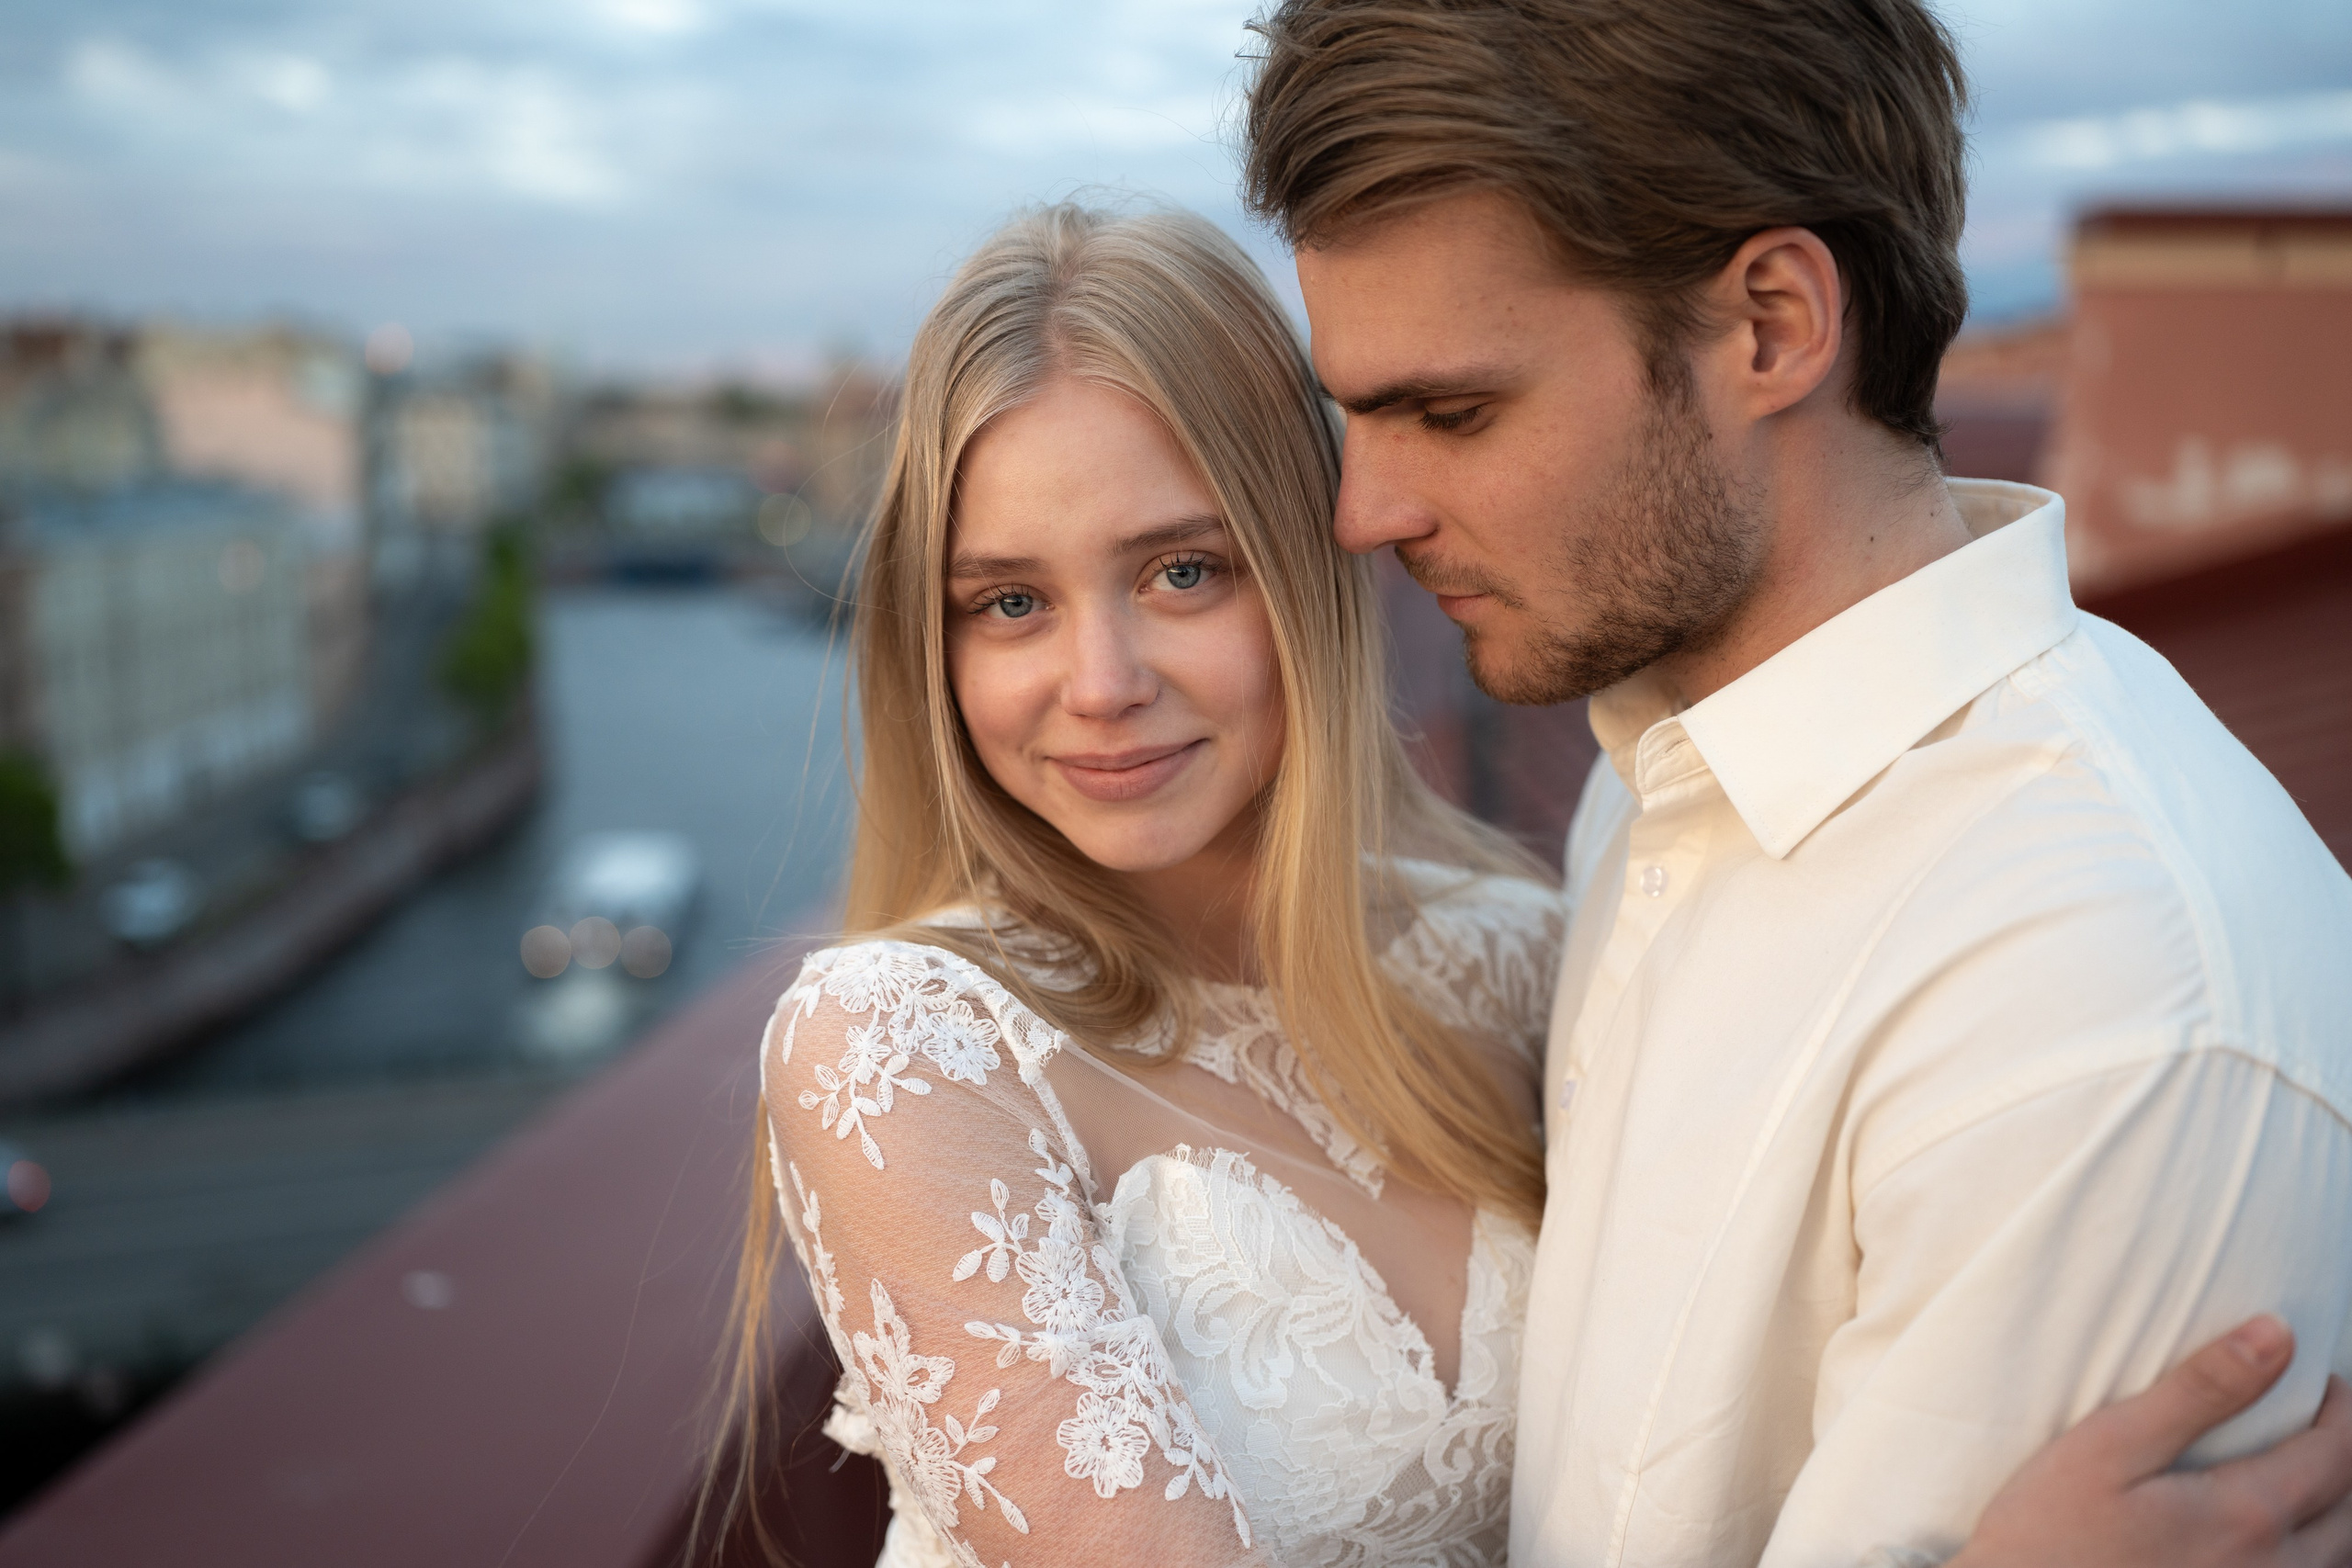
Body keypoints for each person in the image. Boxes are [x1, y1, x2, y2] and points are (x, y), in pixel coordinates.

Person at [704, 201, 2352, 1568]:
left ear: (1309, 567)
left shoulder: (1508, 956)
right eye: (1006, 604)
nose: (1103, 677)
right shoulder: (906, 1047)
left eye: (1182, 569)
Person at [1238, 1, 2352, 1564]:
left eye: (1454, 412)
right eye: (1352, 414)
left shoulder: (2096, 1004)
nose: (1367, 511)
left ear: (1771, 325)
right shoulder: (1667, 768)